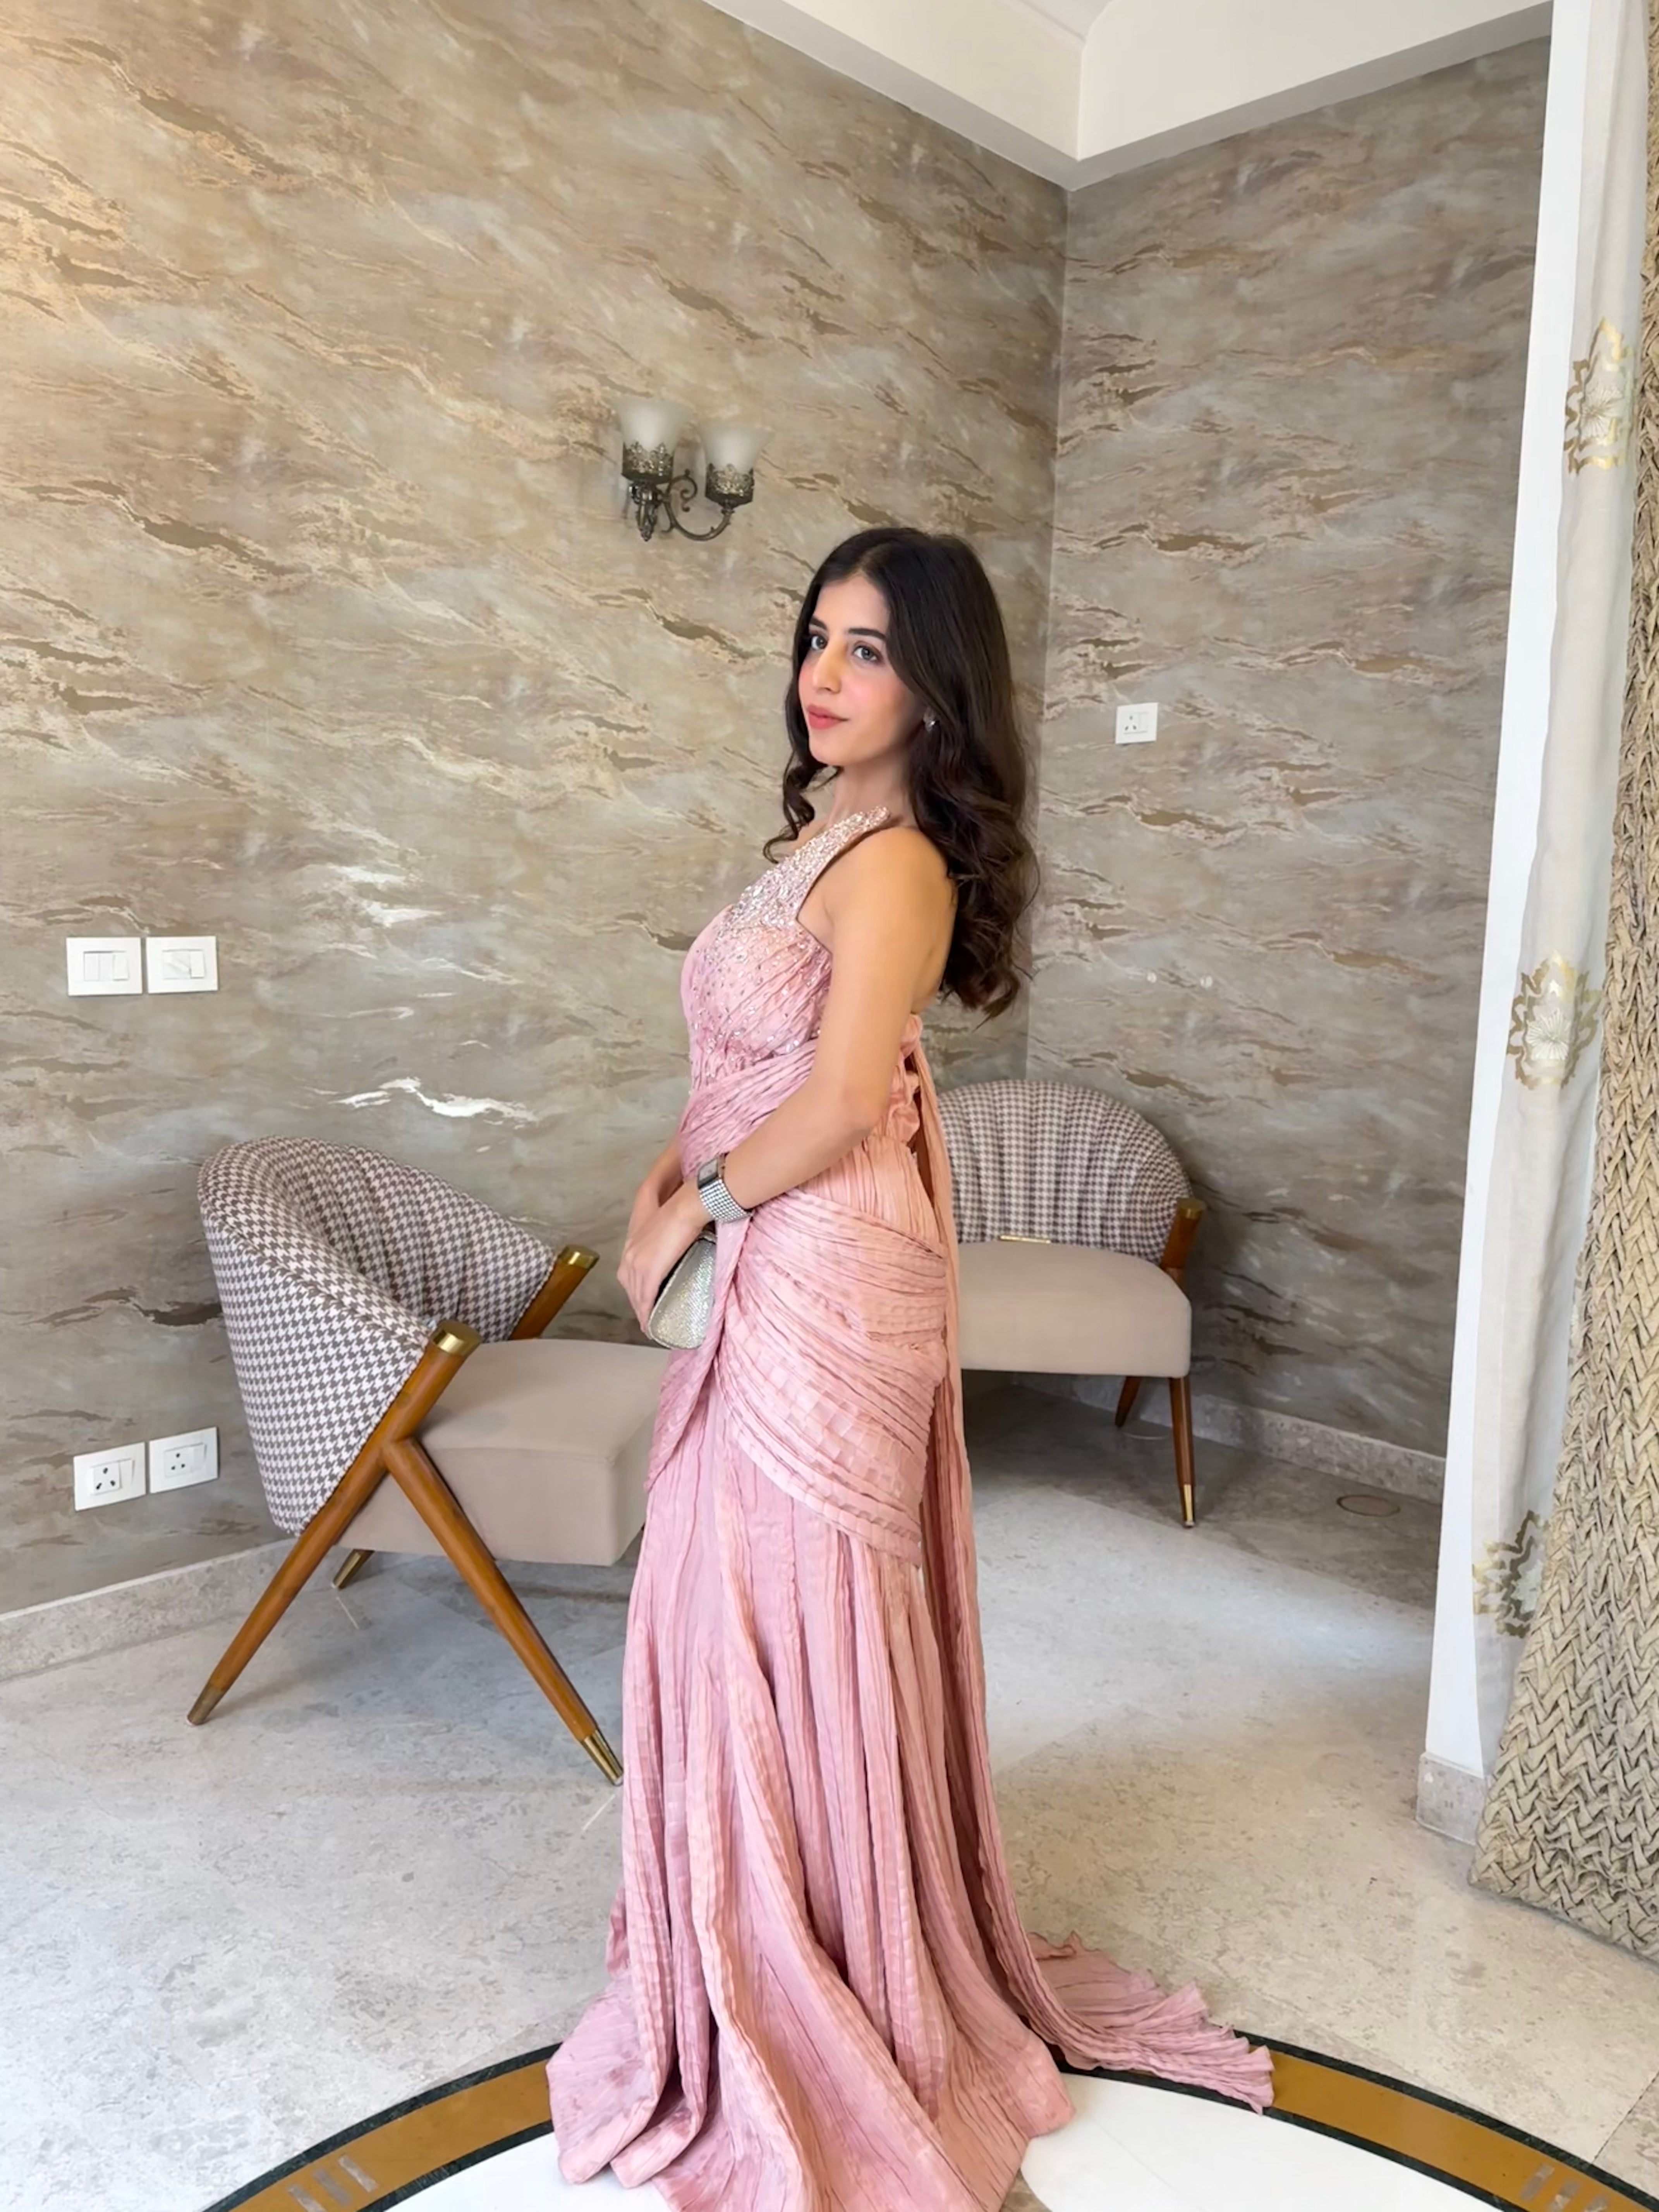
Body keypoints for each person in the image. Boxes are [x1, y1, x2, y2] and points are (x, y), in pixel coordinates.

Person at [546, 526, 1273, 2209]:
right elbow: (735, 1065)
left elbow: (838, 1102)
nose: (823, 674)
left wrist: (698, 1207)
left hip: (826, 1262)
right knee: (722, 1600)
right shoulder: (816, 836)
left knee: (794, 1604)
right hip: (765, 1230)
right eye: (817, 636)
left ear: (937, 689)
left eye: (867, 650)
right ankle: (745, 1933)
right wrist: (659, 1186)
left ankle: (838, 1964)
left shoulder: (900, 869)